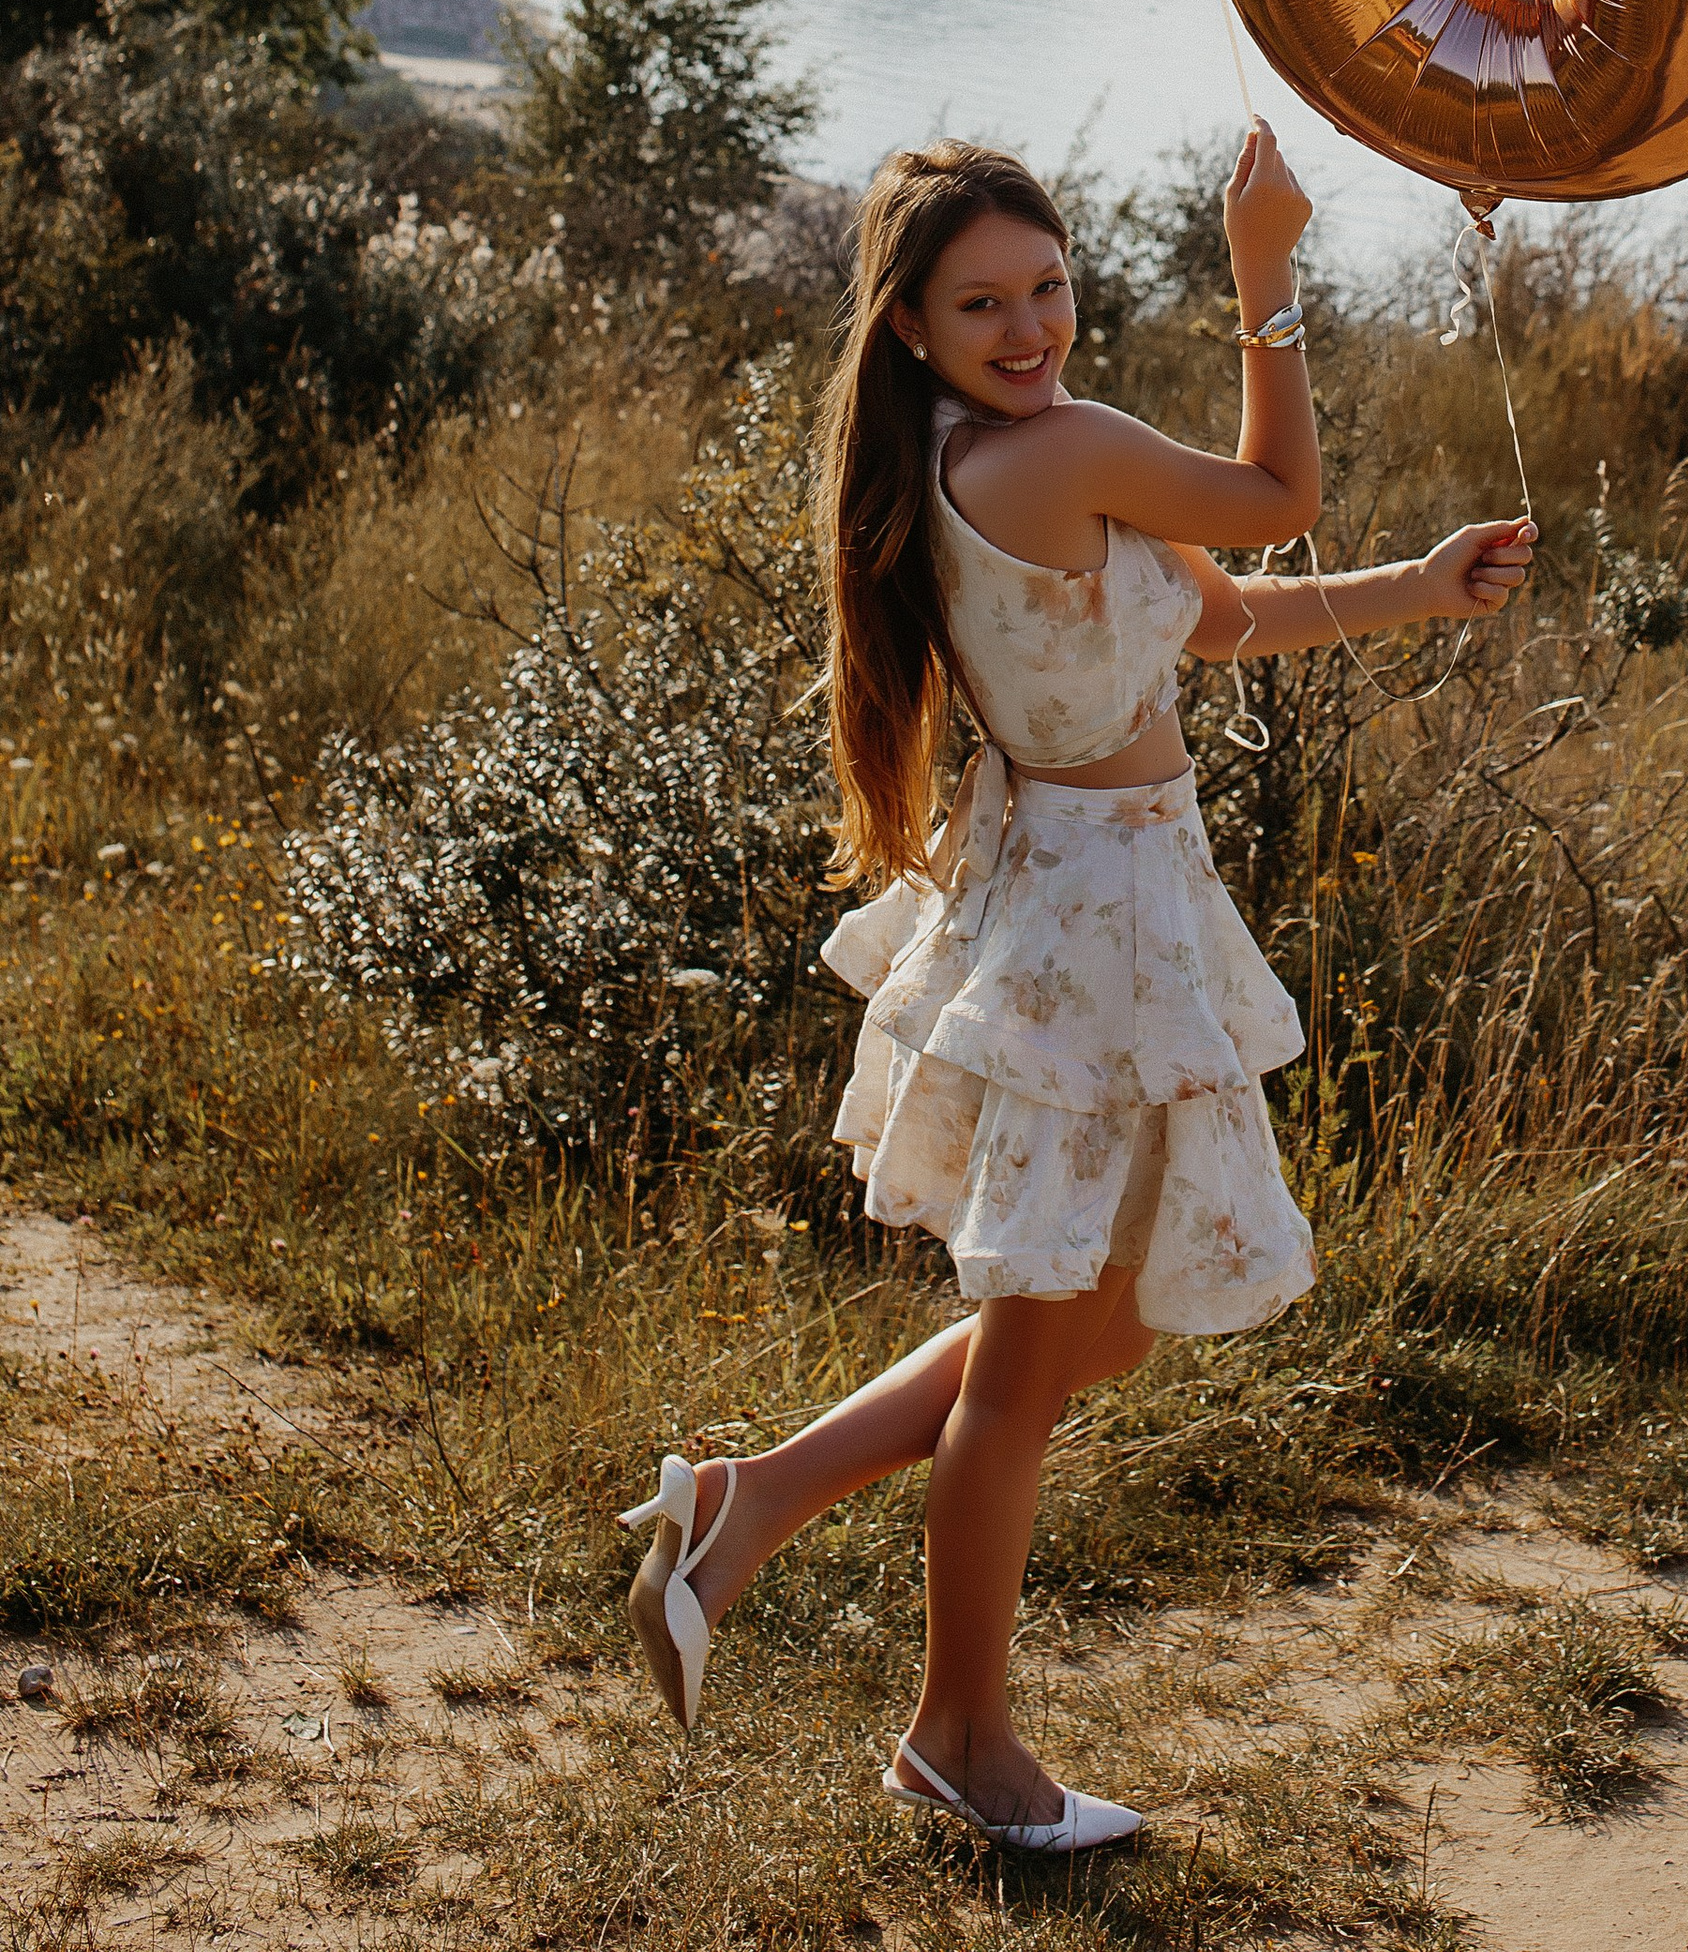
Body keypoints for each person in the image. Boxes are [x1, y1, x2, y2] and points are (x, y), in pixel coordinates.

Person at [620, 125, 1534, 1847]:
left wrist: (1418, 592)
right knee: (1038, 1362)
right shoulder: (1058, 453)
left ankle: (753, 1502)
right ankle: (959, 1741)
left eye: (1048, 286)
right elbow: (1278, 498)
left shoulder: (1002, 454)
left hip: (1095, 893)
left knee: (1091, 1320)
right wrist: (1267, 275)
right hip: (1095, 925)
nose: (1030, 323)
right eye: (984, 302)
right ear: (909, 325)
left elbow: (1222, 615)